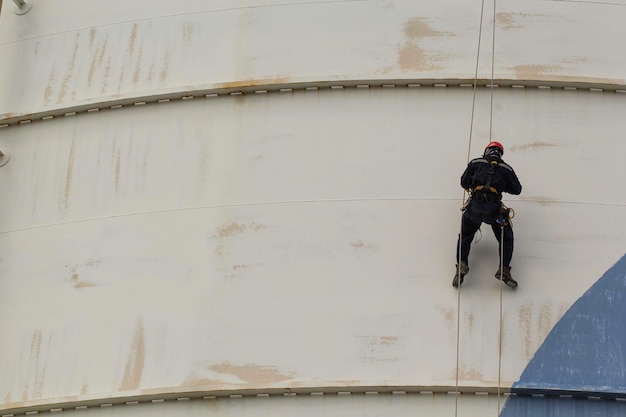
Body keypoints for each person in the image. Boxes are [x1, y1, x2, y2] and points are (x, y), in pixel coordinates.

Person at [453, 141, 522, 288]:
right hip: (494, 210)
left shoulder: (476, 162)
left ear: (487, 151)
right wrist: (501, 186)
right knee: (506, 237)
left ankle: (462, 265)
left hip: (474, 208)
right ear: (500, 153)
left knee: (465, 235)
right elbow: (517, 189)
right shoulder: (506, 168)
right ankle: (504, 269)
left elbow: (464, 183)